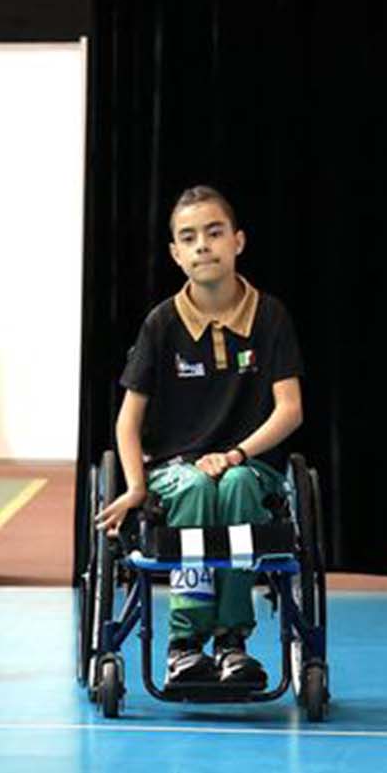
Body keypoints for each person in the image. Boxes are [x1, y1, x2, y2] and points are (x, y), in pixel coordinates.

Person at [97, 186, 305, 691]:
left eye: (214, 233)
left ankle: (233, 642)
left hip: (248, 465)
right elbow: (128, 423)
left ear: (237, 241)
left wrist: (235, 454)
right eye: (188, 238)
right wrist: (135, 487)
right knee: (194, 488)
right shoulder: (162, 324)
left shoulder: (270, 316)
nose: (203, 246)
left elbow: (290, 410)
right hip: (177, 469)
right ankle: (185, 645)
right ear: (175, 254)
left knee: (232, 487)